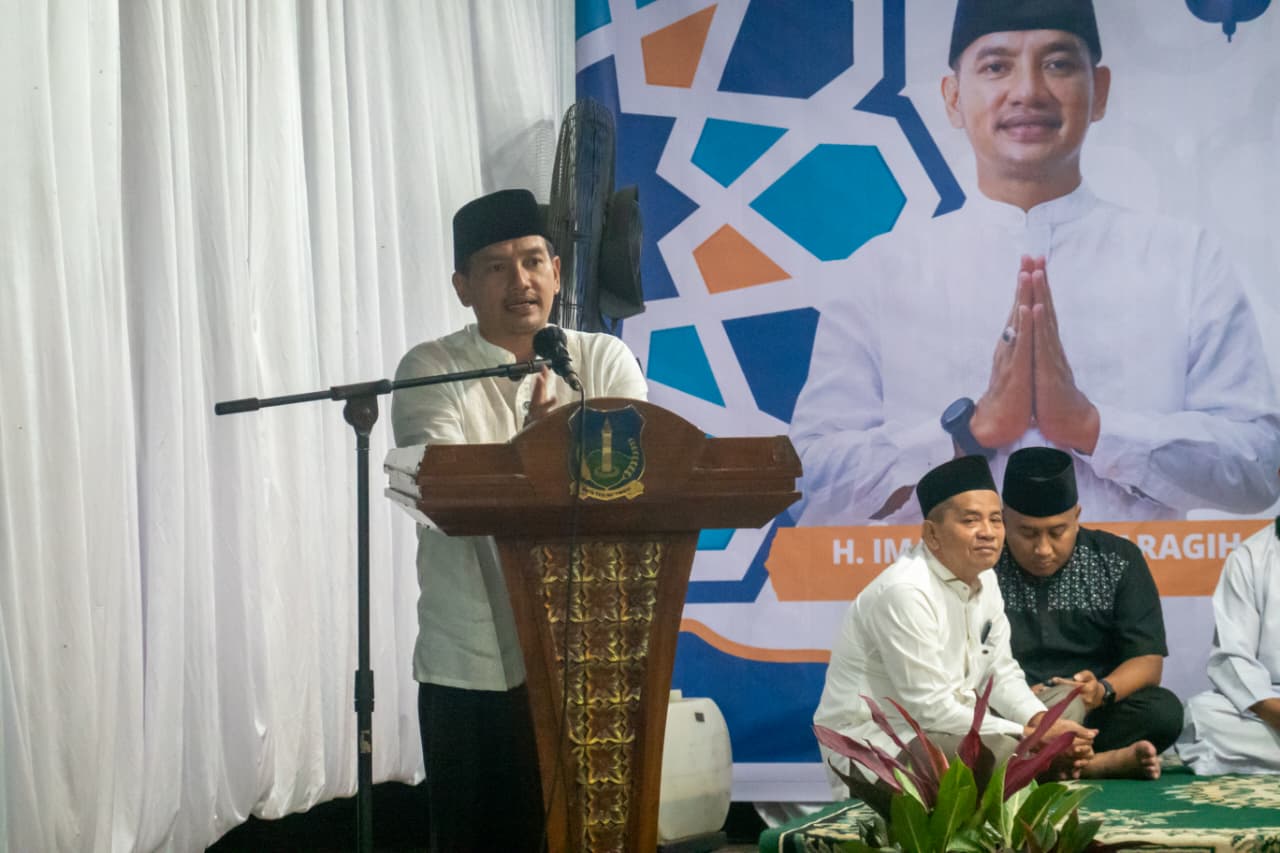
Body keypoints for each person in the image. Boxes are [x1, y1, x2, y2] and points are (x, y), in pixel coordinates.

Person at [787, 0, 1280, 526]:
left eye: (1058, 63)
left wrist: (1092, 427)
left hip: (1129, 582)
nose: (1027, 91)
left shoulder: (1183, 259)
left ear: (1100, 91)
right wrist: (966, 435)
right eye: (996, 66)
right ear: (953, 98)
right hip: (934, 582)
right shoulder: (881, 272)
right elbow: (805, 483)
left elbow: (1261, 464)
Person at [390, 188, 649, 851]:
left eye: (533, 261)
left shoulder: (602, 361)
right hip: (472, 664)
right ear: (462, 287)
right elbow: (447, 489)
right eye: (496, 267)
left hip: (587, 658)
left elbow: (634, 484)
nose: (521, 281)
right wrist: (537, 451)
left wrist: (552, 457)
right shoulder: (431, 368)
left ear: (557, 272)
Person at [813, 454, 1094, 797]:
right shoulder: (906, 591)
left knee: (1066, 704)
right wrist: (1029, 735)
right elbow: (930, 711)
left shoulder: (986, 579)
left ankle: (1048, 761)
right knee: (1002, 751)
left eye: (995, 520)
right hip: (886, 744)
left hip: (954, 728)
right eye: (971, 520)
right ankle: (1082, 764)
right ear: (931, 534)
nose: (988, 532)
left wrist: (1040, 722)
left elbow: (1000, 673)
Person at [995, 446, 1182, 779]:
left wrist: (1102, 691)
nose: (1043, 549)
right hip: (1015, 715)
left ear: (1077, 517)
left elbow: (1147, 660)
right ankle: (1092, 763)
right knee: (965, 721)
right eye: (1027, 533)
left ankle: (1052, 760)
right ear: (1004, 519)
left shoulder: (1117, 560)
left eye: (1057, 532)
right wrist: (1021, 703)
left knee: (1163, 711)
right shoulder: (983, 567)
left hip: (1094, 710)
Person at [1176, 517, 1280, 775]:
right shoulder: (1250, 557)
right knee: (1199, 716)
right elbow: (1234, 656)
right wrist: (1273, 710)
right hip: (1273, 702)